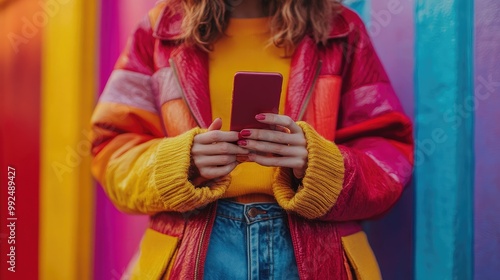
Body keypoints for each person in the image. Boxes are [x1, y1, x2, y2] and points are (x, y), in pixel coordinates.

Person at [90, 0, 414, 279]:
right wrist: (181, 162)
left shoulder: (341, 29)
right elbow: (112, 149)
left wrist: (317, 164)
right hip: (191, 254)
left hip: (316, 255)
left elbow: (388, 157)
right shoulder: (158, 32)